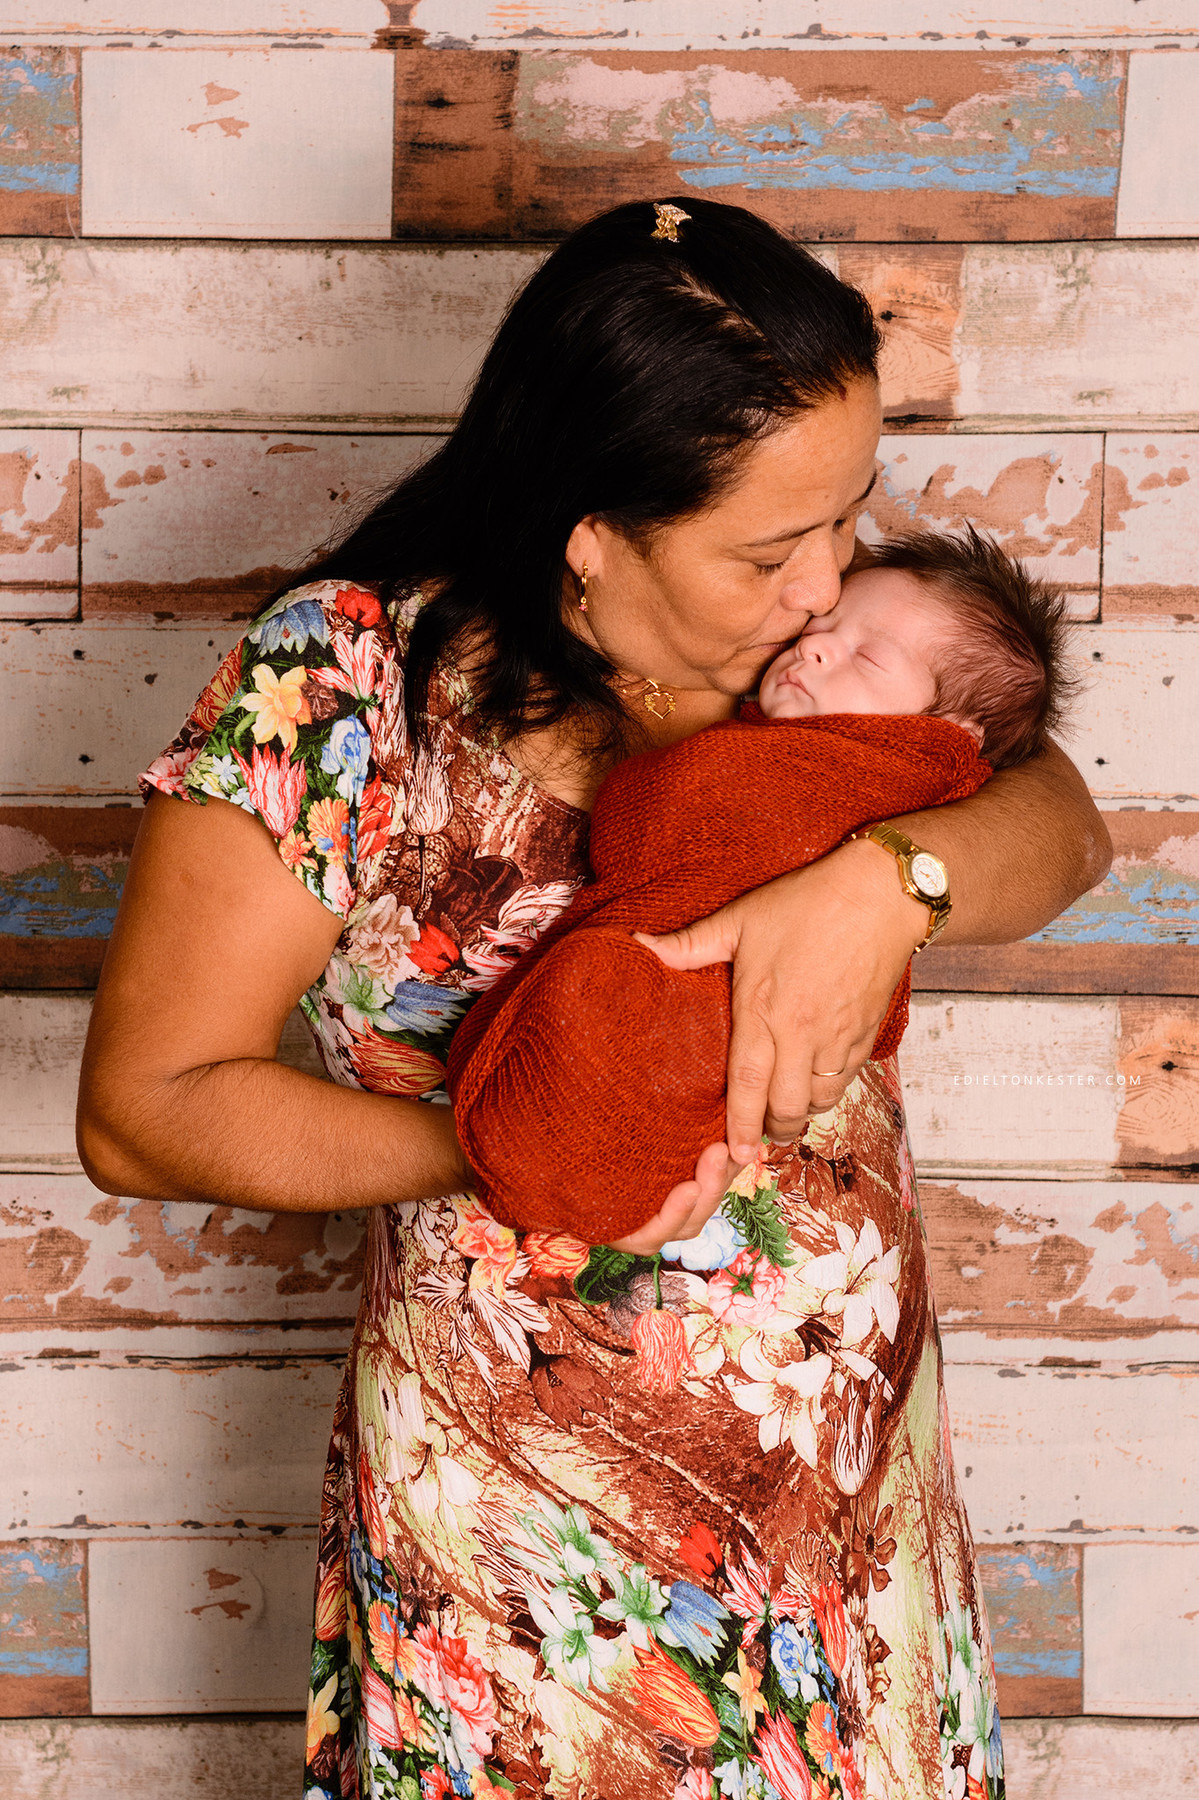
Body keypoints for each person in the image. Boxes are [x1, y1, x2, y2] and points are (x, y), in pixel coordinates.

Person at [76, 198, 1109, 1800]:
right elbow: (146, 1112)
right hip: (530, 1576)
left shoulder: (808, 668)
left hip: (845, 1545)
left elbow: (1056, 820)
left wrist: (882, 883)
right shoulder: (348, 686)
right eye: (774, 549)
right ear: (591, 537)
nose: (830, 582)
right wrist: (510, 1146)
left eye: (848, 517)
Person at [448, 525, 1076, 1245]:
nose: (812, 635)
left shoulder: (892, 758)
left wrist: (880, 889)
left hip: (832, 1285)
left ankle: (588, 1154)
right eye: (825, 629)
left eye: (864, 656)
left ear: (945, 733)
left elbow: (649, 820)